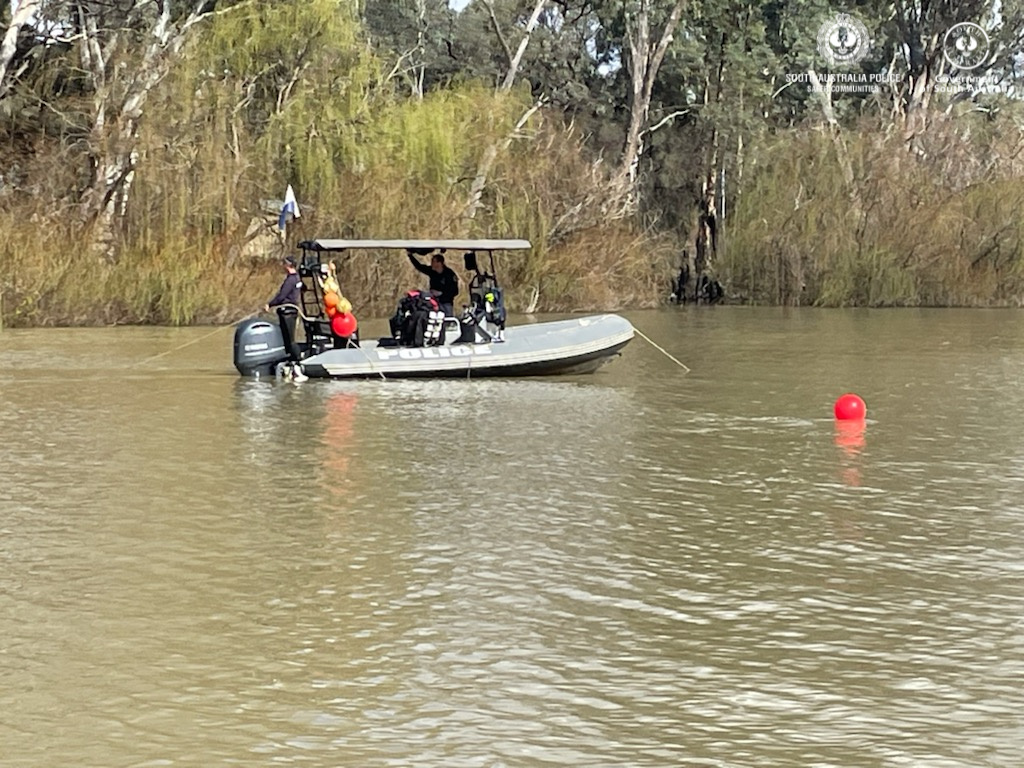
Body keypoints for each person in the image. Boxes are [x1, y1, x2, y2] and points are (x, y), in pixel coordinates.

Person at [264, 256, 306, 378]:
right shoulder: (298, 278)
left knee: (289, 339)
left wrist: (270, 304)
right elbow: (303, 288)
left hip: (287, 312)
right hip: (293, 311)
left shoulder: (290, 280)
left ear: (288, 265)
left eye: (284, 264)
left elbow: (282, 296)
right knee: (290, 337)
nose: (283, 266)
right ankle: (293, 361)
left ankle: (297, 362)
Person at [408, 251, 458, 317]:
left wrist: (441, 293)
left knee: (447, 322)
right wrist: (410, 256)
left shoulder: (449, 274)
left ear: (439, 263)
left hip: (446, 303)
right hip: (434, 302)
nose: (431, 264)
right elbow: (419, 267)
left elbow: (455, 291)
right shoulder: (432, 272)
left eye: (433, 262)